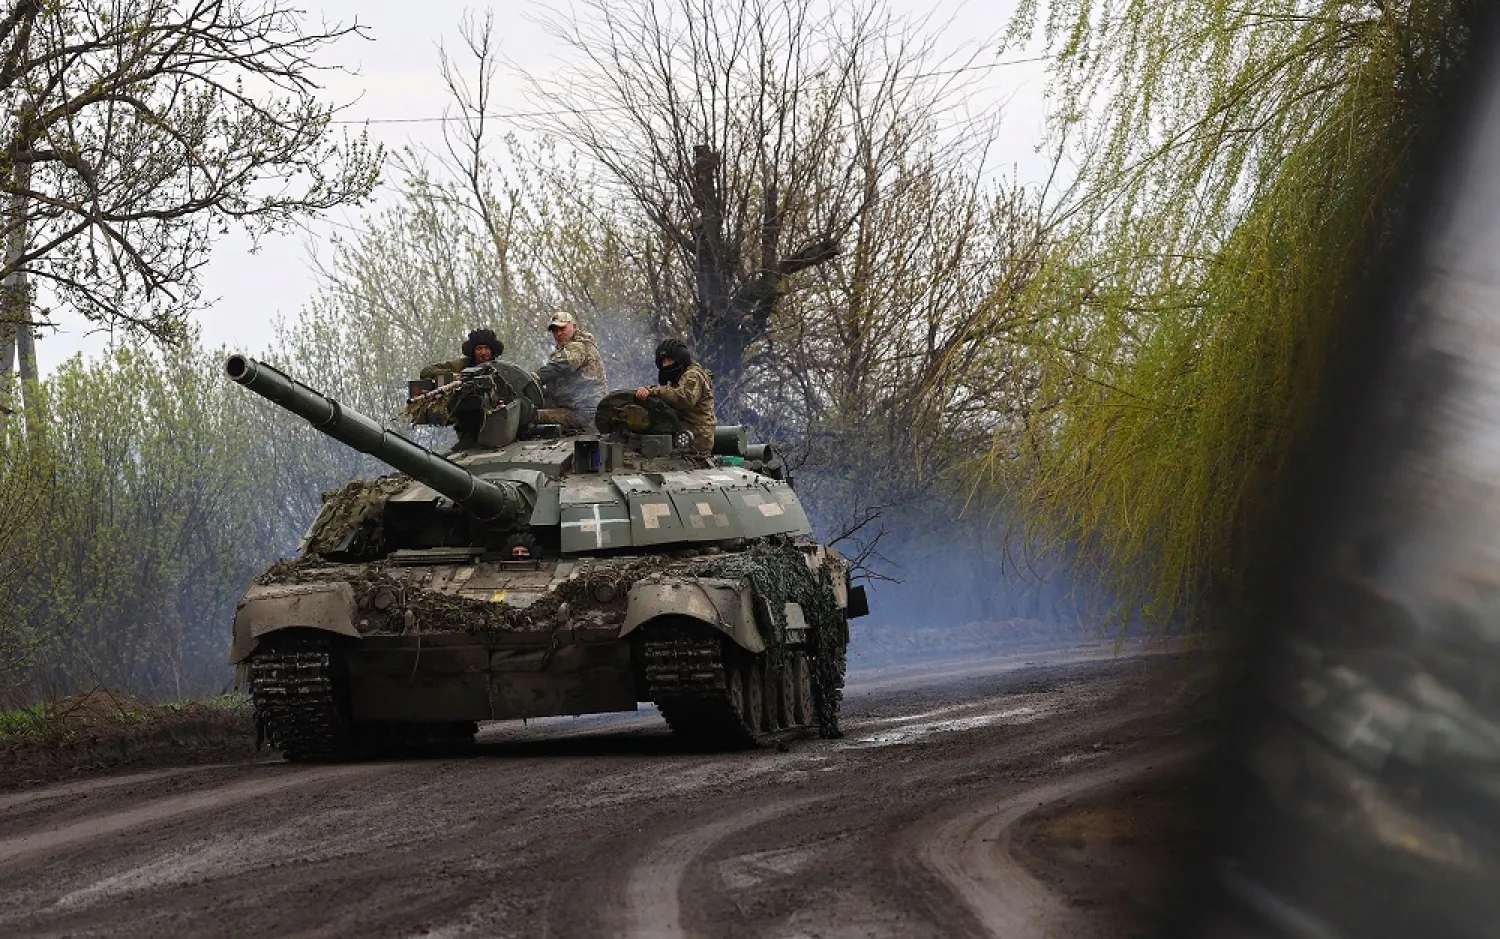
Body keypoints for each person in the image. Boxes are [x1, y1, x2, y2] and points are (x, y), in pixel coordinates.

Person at [635, 337, 717, 454]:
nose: (666, 364)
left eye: (670, 359)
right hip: (682, 434)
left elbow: (684, 398)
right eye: (663, 361)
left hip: (695, 439)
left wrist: (653, 391)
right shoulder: (678, 378)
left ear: (680, 358)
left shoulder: (693, 375)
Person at [534, 311, 607, 429]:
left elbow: (560, 366)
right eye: (555, 331)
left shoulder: (578, 346)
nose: (559, 333)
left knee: (530, 415)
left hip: (582, 413)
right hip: (573, 409)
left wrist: (535, 378)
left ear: (574, 326)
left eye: (562, 328)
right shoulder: (566, 349)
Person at [419, 328, 503, 380]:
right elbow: (426, 372)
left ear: (492, 351)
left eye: (487, 348)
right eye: (479, 349)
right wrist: (452, 375)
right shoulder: (461, 365)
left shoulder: (500, 369)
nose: (483, 352)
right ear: (473, 352)